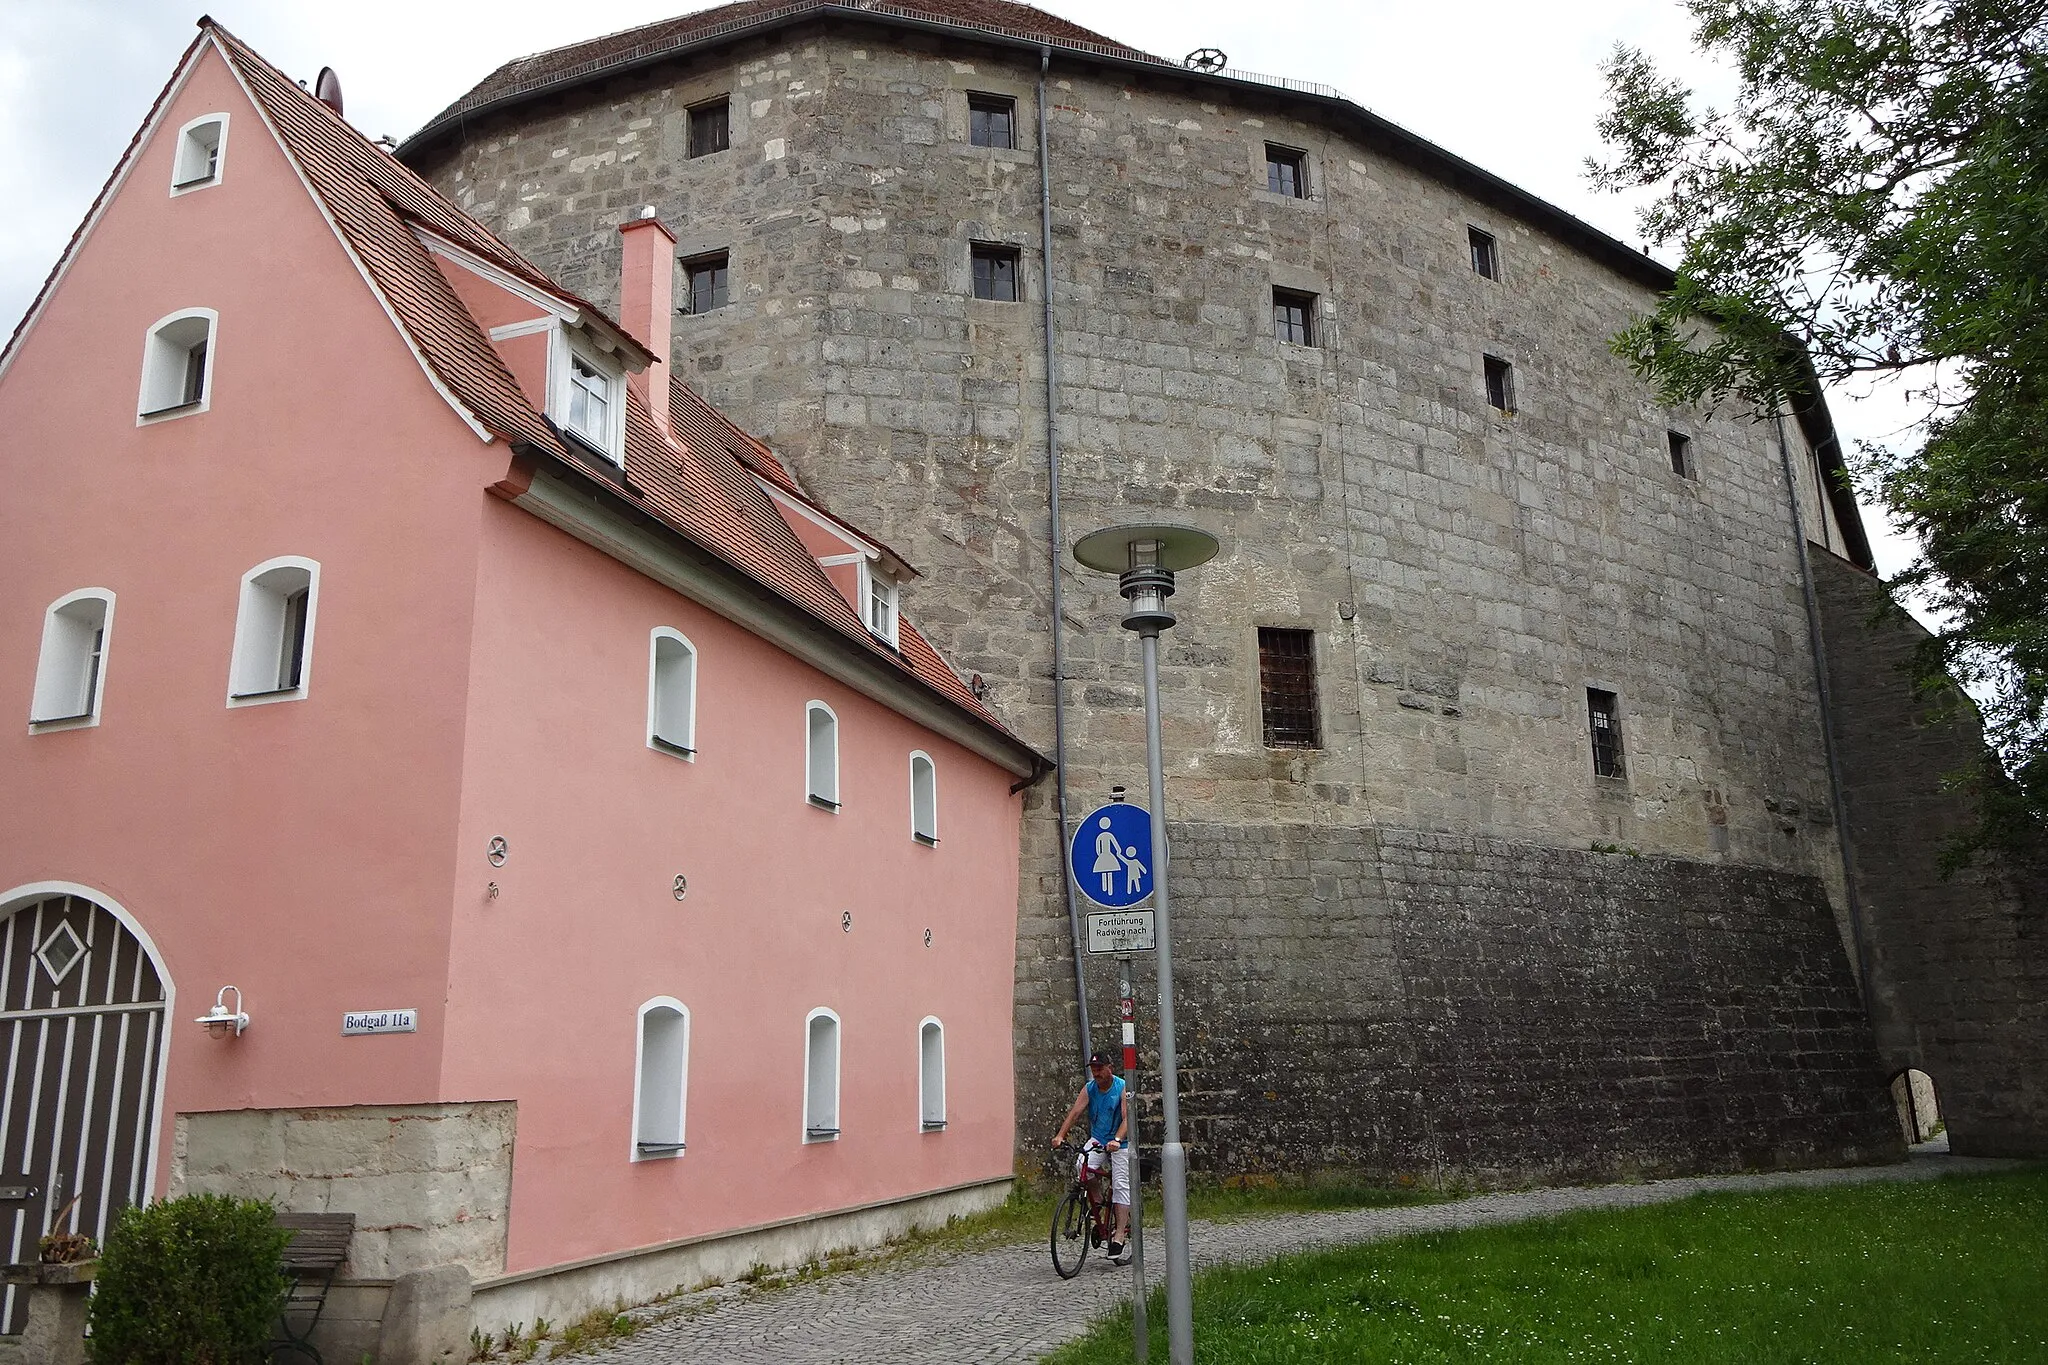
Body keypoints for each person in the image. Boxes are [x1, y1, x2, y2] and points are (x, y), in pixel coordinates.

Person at [1051, 1050, 1131, 1260]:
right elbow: (1075, 1113)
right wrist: (1060, 1136)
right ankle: (1098, 1200)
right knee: (1082, 1166)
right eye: (1093, 1069)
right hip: (1098, 1138)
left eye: (1099, 1069)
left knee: (1121, 1184)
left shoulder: (1121, 1087)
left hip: (1120, 1142)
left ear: (1109, 1068)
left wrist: (1117, 1139)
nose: (1096, 1073)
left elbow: (1127, 1118)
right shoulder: (1090, 1088)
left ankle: (1119, 1235)